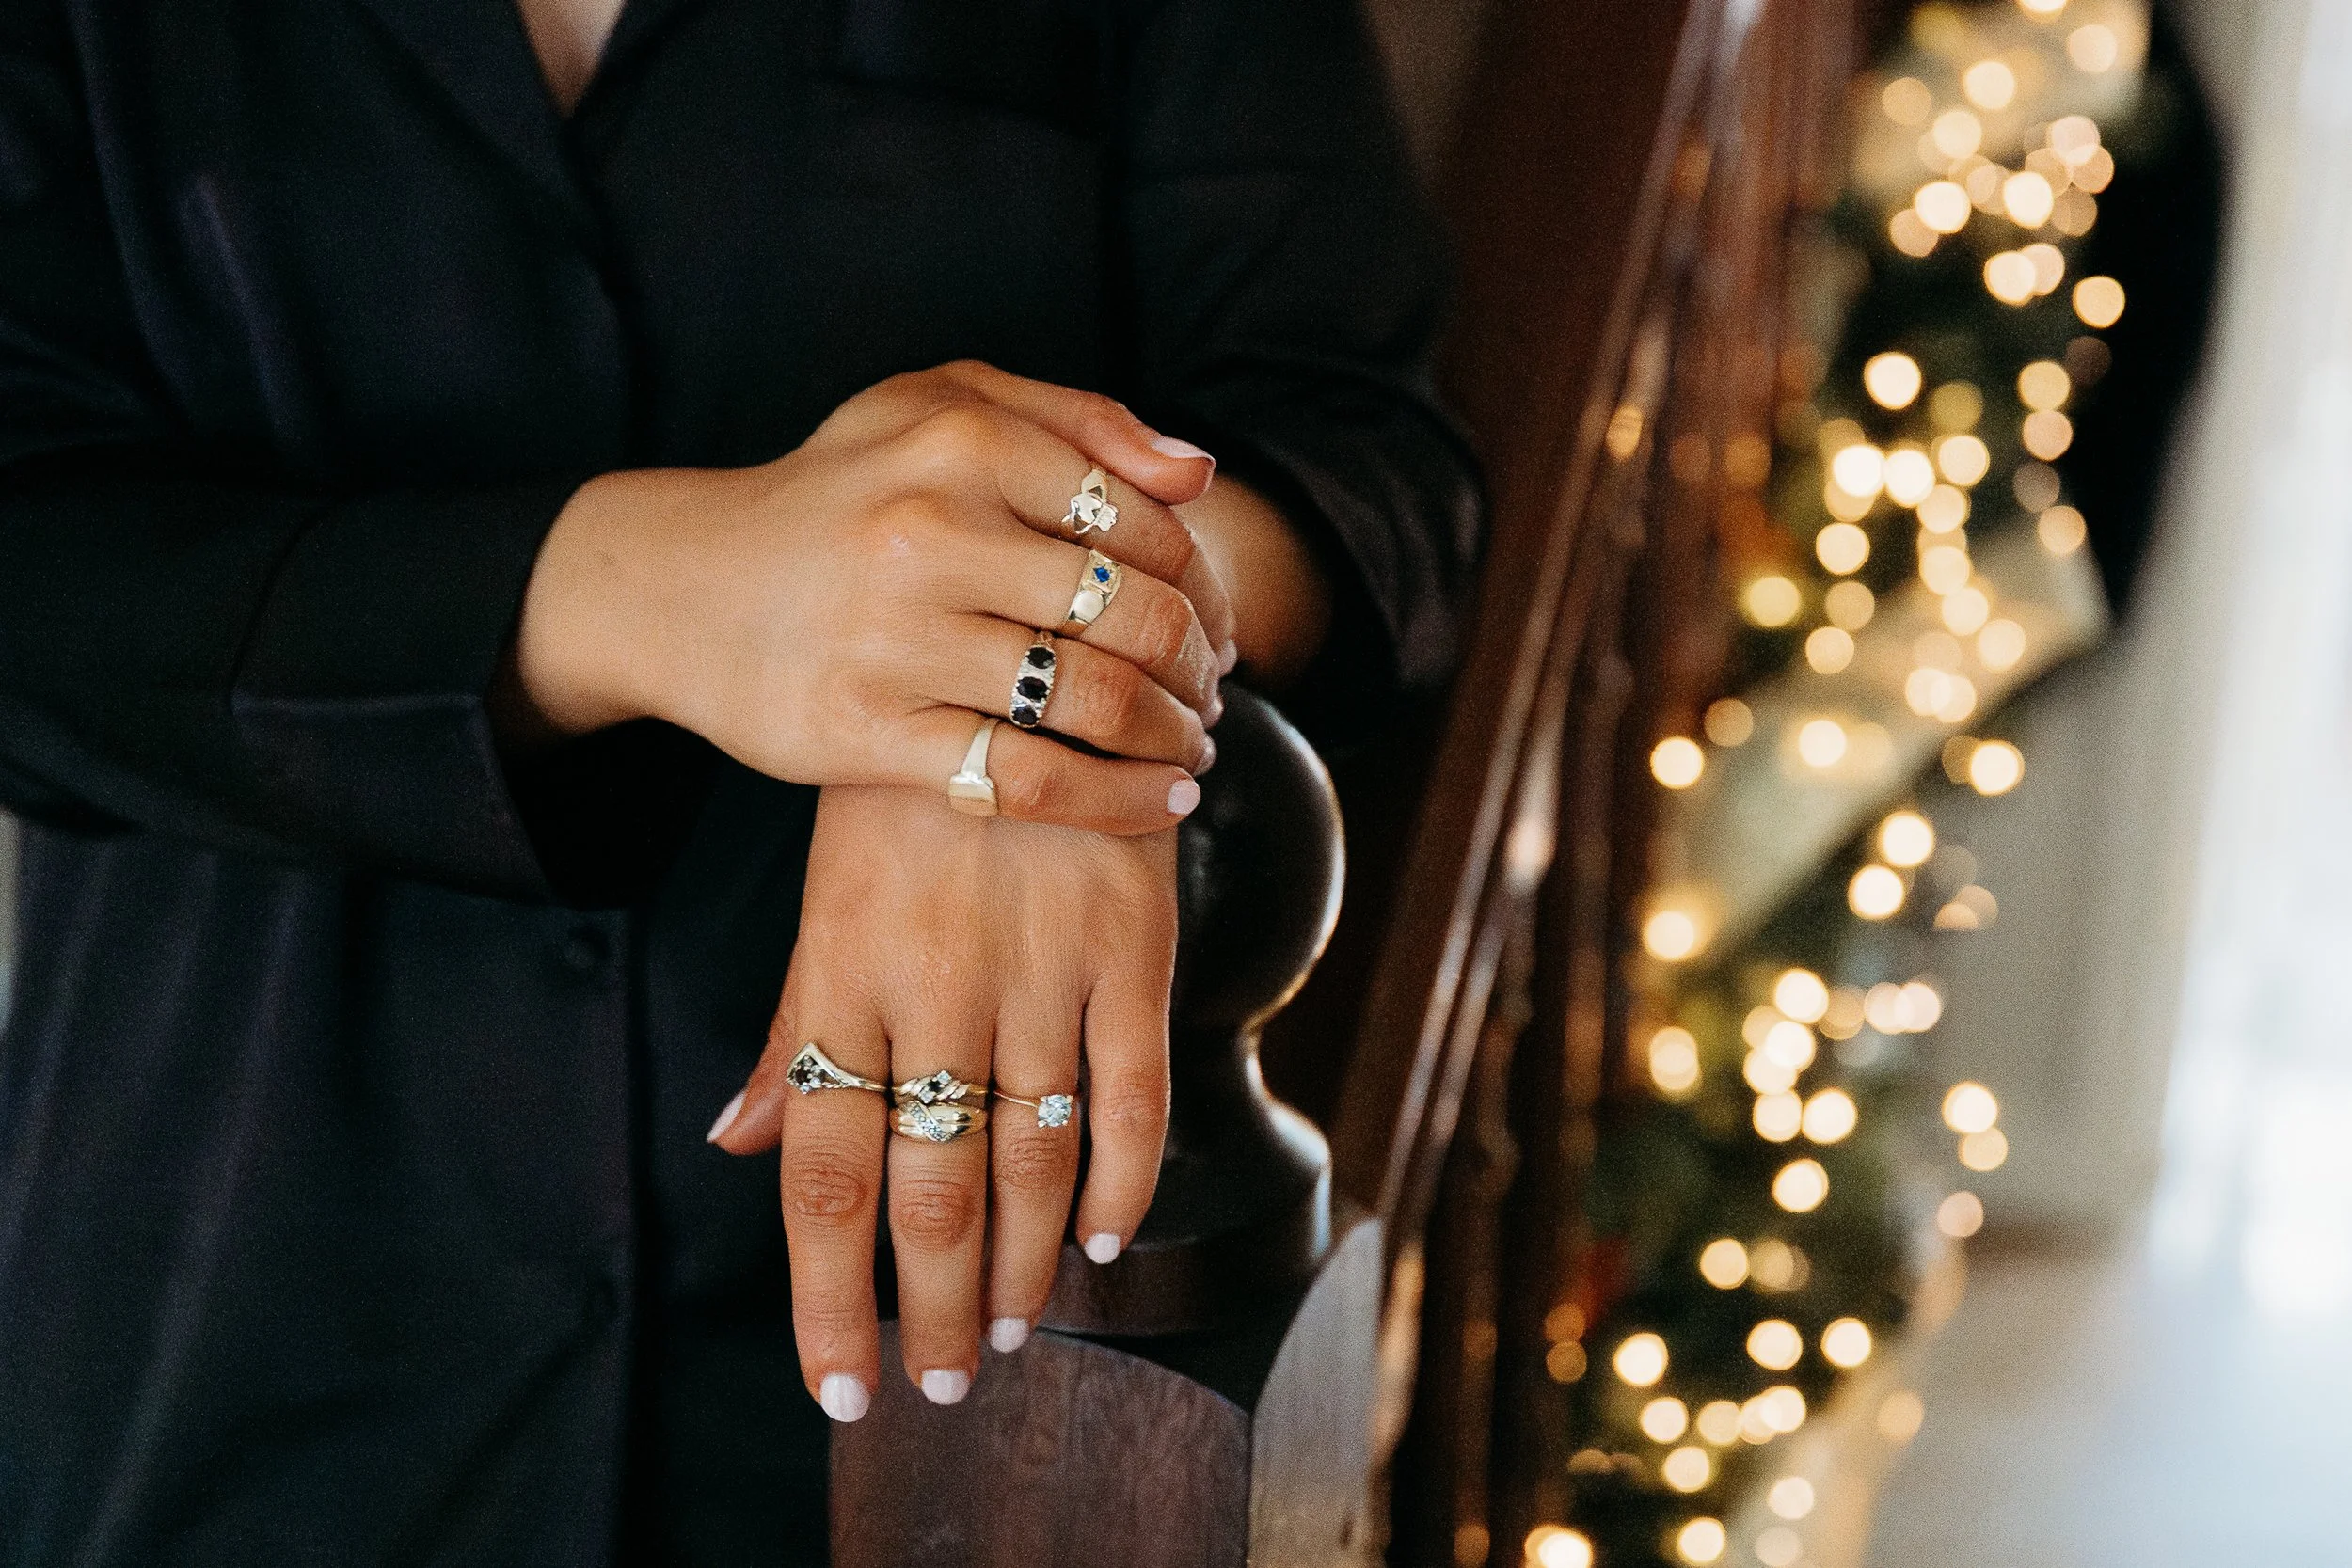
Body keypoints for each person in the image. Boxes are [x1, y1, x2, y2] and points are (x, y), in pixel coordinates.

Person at [0, 0, 1479, 1560]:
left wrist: (1000, 684)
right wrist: (670, 595)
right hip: (222, 1301)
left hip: (964, 1393)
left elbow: (1377, 468)